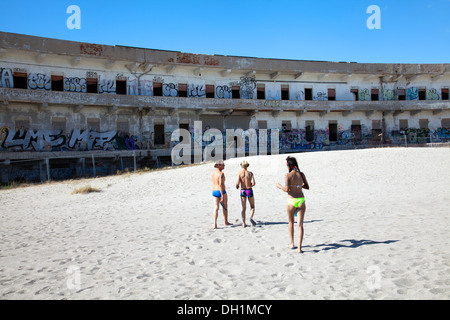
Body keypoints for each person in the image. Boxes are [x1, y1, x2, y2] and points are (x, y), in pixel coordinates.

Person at [276, 156, 310, 253]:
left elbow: (287, 190)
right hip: (301, 200)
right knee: (300, 225)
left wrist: (279, 186)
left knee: (291, 222)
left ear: (288, 165)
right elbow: (307, 186)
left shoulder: (288, 175)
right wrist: (298, 186)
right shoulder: (301, 174)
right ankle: (299, 248)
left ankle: (292, 243)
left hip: (291, 200)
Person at [212, 160, 233, 229]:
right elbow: (221, 184)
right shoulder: (221, 173)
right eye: (223, 165)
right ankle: (226, 221)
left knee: (216, 208)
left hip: (214, 190)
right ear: (219, 165)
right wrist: (221, 195)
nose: (224, 166)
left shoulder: (213, 172)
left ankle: (215, 224)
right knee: (225, 206)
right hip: (221, 191)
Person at [235, 160, 256, 228]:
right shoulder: (250, 173)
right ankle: (251, 217)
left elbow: (237, 184)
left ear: (242, 166)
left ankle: (244, 223)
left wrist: (237, 186)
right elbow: (254, 183)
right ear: (247, 166)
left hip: (243, 190)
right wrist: (250, 185)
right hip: (249, 190)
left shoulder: (239, 173)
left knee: (243, 208)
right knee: (252, 206)